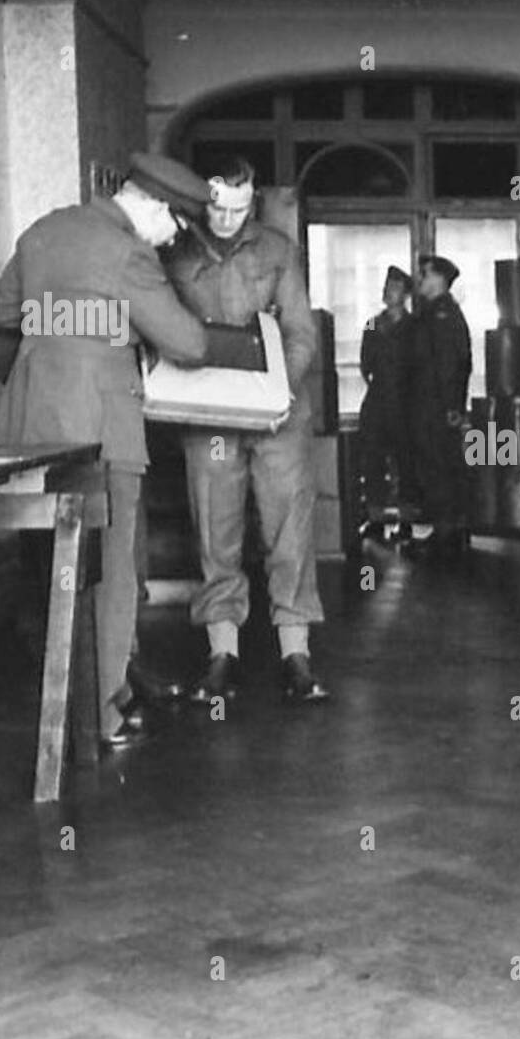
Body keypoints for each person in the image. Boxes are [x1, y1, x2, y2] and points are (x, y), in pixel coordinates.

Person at [0, 152, 215, 749]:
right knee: (111, 570)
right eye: (176, 227)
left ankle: (56, 704)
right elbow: (188, 342)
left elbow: (4, 313)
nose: (172, 241)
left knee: (49, 567)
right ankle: (102, 712)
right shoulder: (129, 252)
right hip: (101, 428)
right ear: (154, 207)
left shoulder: (44, 229)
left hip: (31, 426)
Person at [163, 155, 328, 706]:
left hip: (278, 413)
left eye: (240, 208)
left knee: (290, 531)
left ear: (252, 201)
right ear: (203, 201)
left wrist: (280, 391)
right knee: (216, 530)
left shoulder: (279, 250)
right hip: (210, 417)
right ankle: (222, 654)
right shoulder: (177, 251)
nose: (229, 218)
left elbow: (301, 331)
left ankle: (295, 655)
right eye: (218, 207)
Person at [406, 254, 472, 558]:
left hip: (435, 405)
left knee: (438, 467)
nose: (419, 279)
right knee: (435, 465)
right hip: (429, 403)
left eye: (424, 274)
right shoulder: (434, 313)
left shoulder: (442, 315)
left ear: (439, 280)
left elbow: (450, 364)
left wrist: (450, 406)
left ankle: (445, 535)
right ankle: (446, 531)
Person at [358, 265, 414, 523]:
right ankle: (375, 517)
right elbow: (365, 365)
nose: (388, 292)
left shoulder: (415, 327)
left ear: (405, 294)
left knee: (407, 462)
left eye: (394, 288)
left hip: (405, 403)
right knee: (373, 461)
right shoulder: (372, 325)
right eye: (386, 287)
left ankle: (408, 517)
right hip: (378, 403)